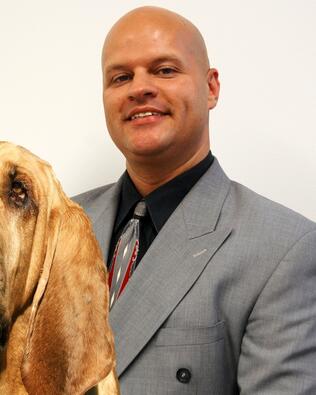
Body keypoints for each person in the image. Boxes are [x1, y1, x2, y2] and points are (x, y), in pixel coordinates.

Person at [74, 6, 316, 394]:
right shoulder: (60, 221)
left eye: (165, 70)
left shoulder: (286, 250)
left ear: (211, 87)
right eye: (121, 77)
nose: (139, 88)